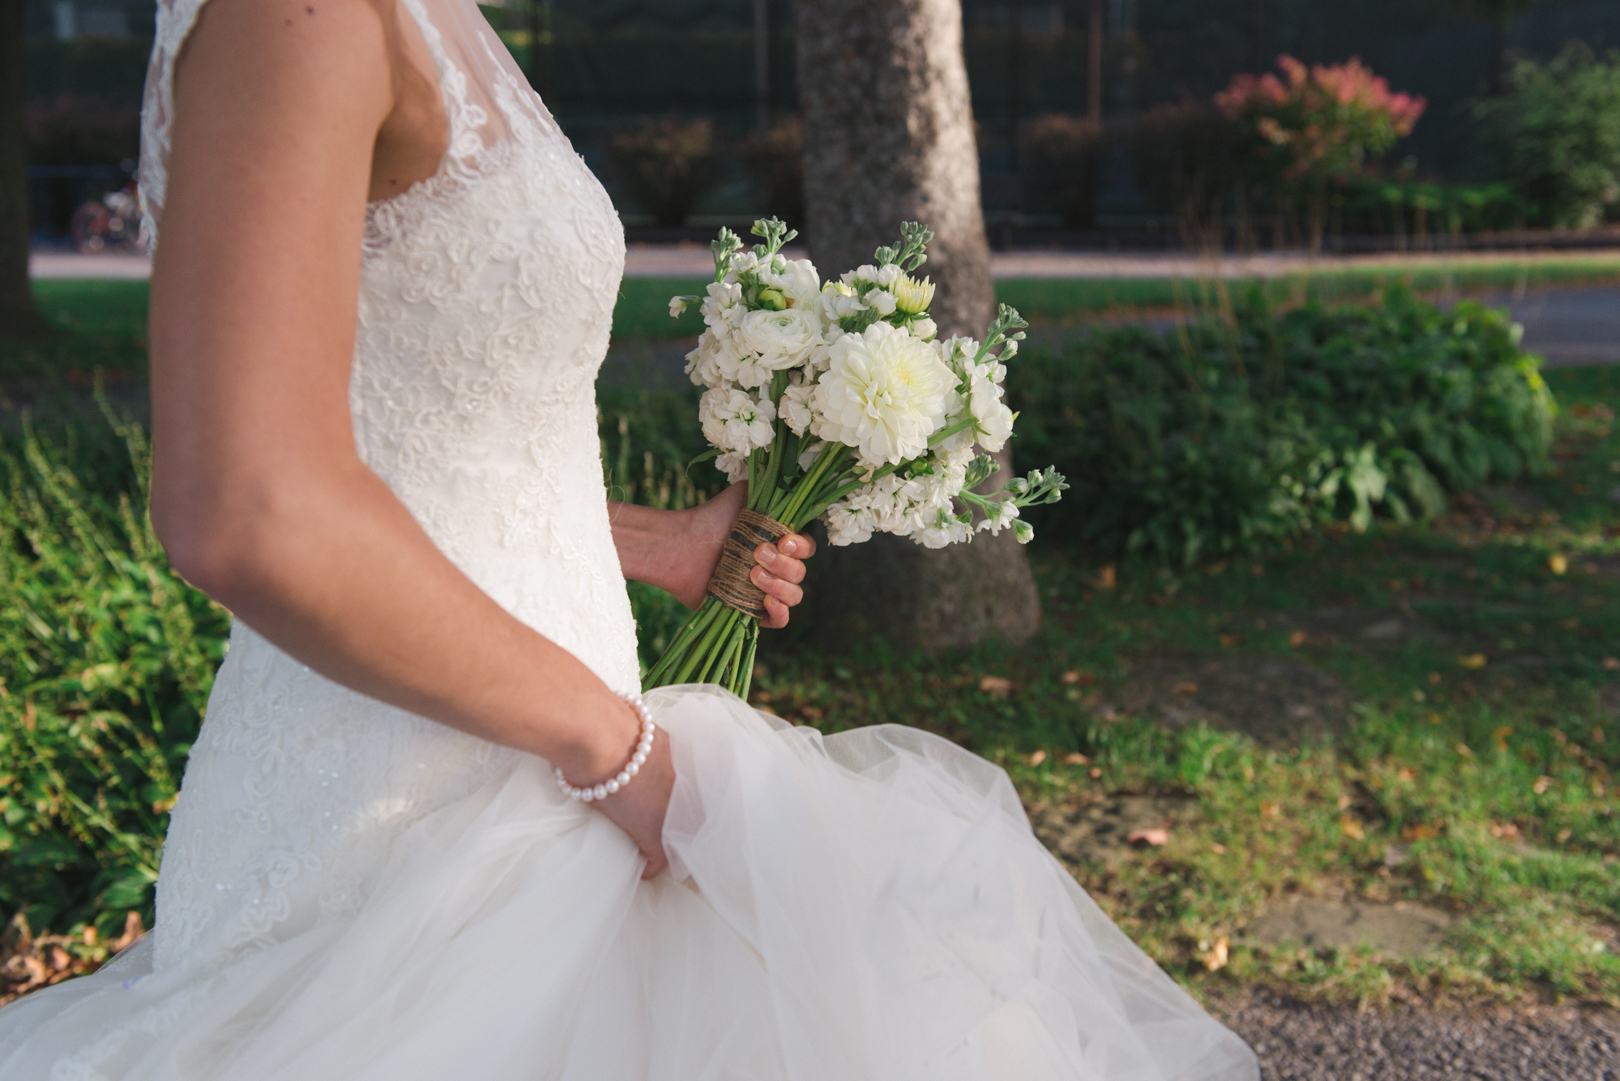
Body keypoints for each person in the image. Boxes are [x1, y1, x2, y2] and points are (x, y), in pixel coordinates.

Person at [0, 0, 1260, 1077]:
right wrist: (616, 749)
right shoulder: (298, 19)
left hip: (550, 761)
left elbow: (412, 450)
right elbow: (253, 507)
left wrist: (651, 543)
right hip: (407, 814)